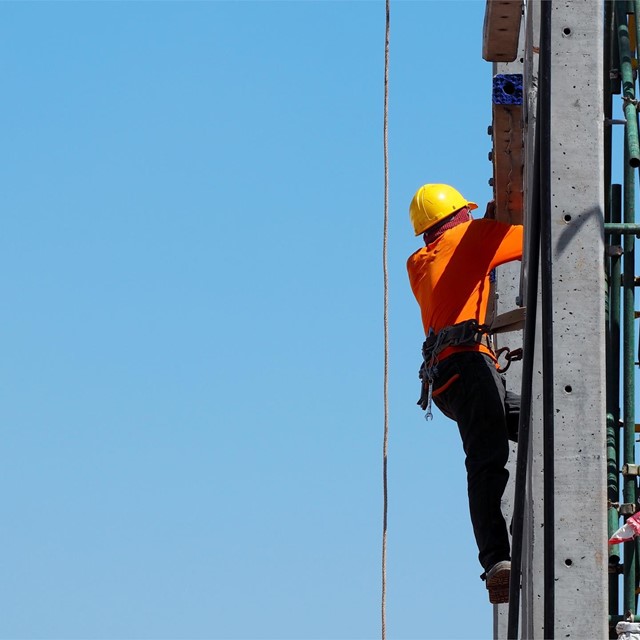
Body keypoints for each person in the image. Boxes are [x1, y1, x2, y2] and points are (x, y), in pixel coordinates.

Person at [406, 183, 524, 605]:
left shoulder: (418, 262)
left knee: (531, 423)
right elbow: (535, 234)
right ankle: (496, 562)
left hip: (441, 380)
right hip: (471, 367)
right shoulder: (472, 237)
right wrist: (491, 226)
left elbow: (459, 268)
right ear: (457, 216)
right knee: (487, 460)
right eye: (467, 214)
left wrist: (484, 230)